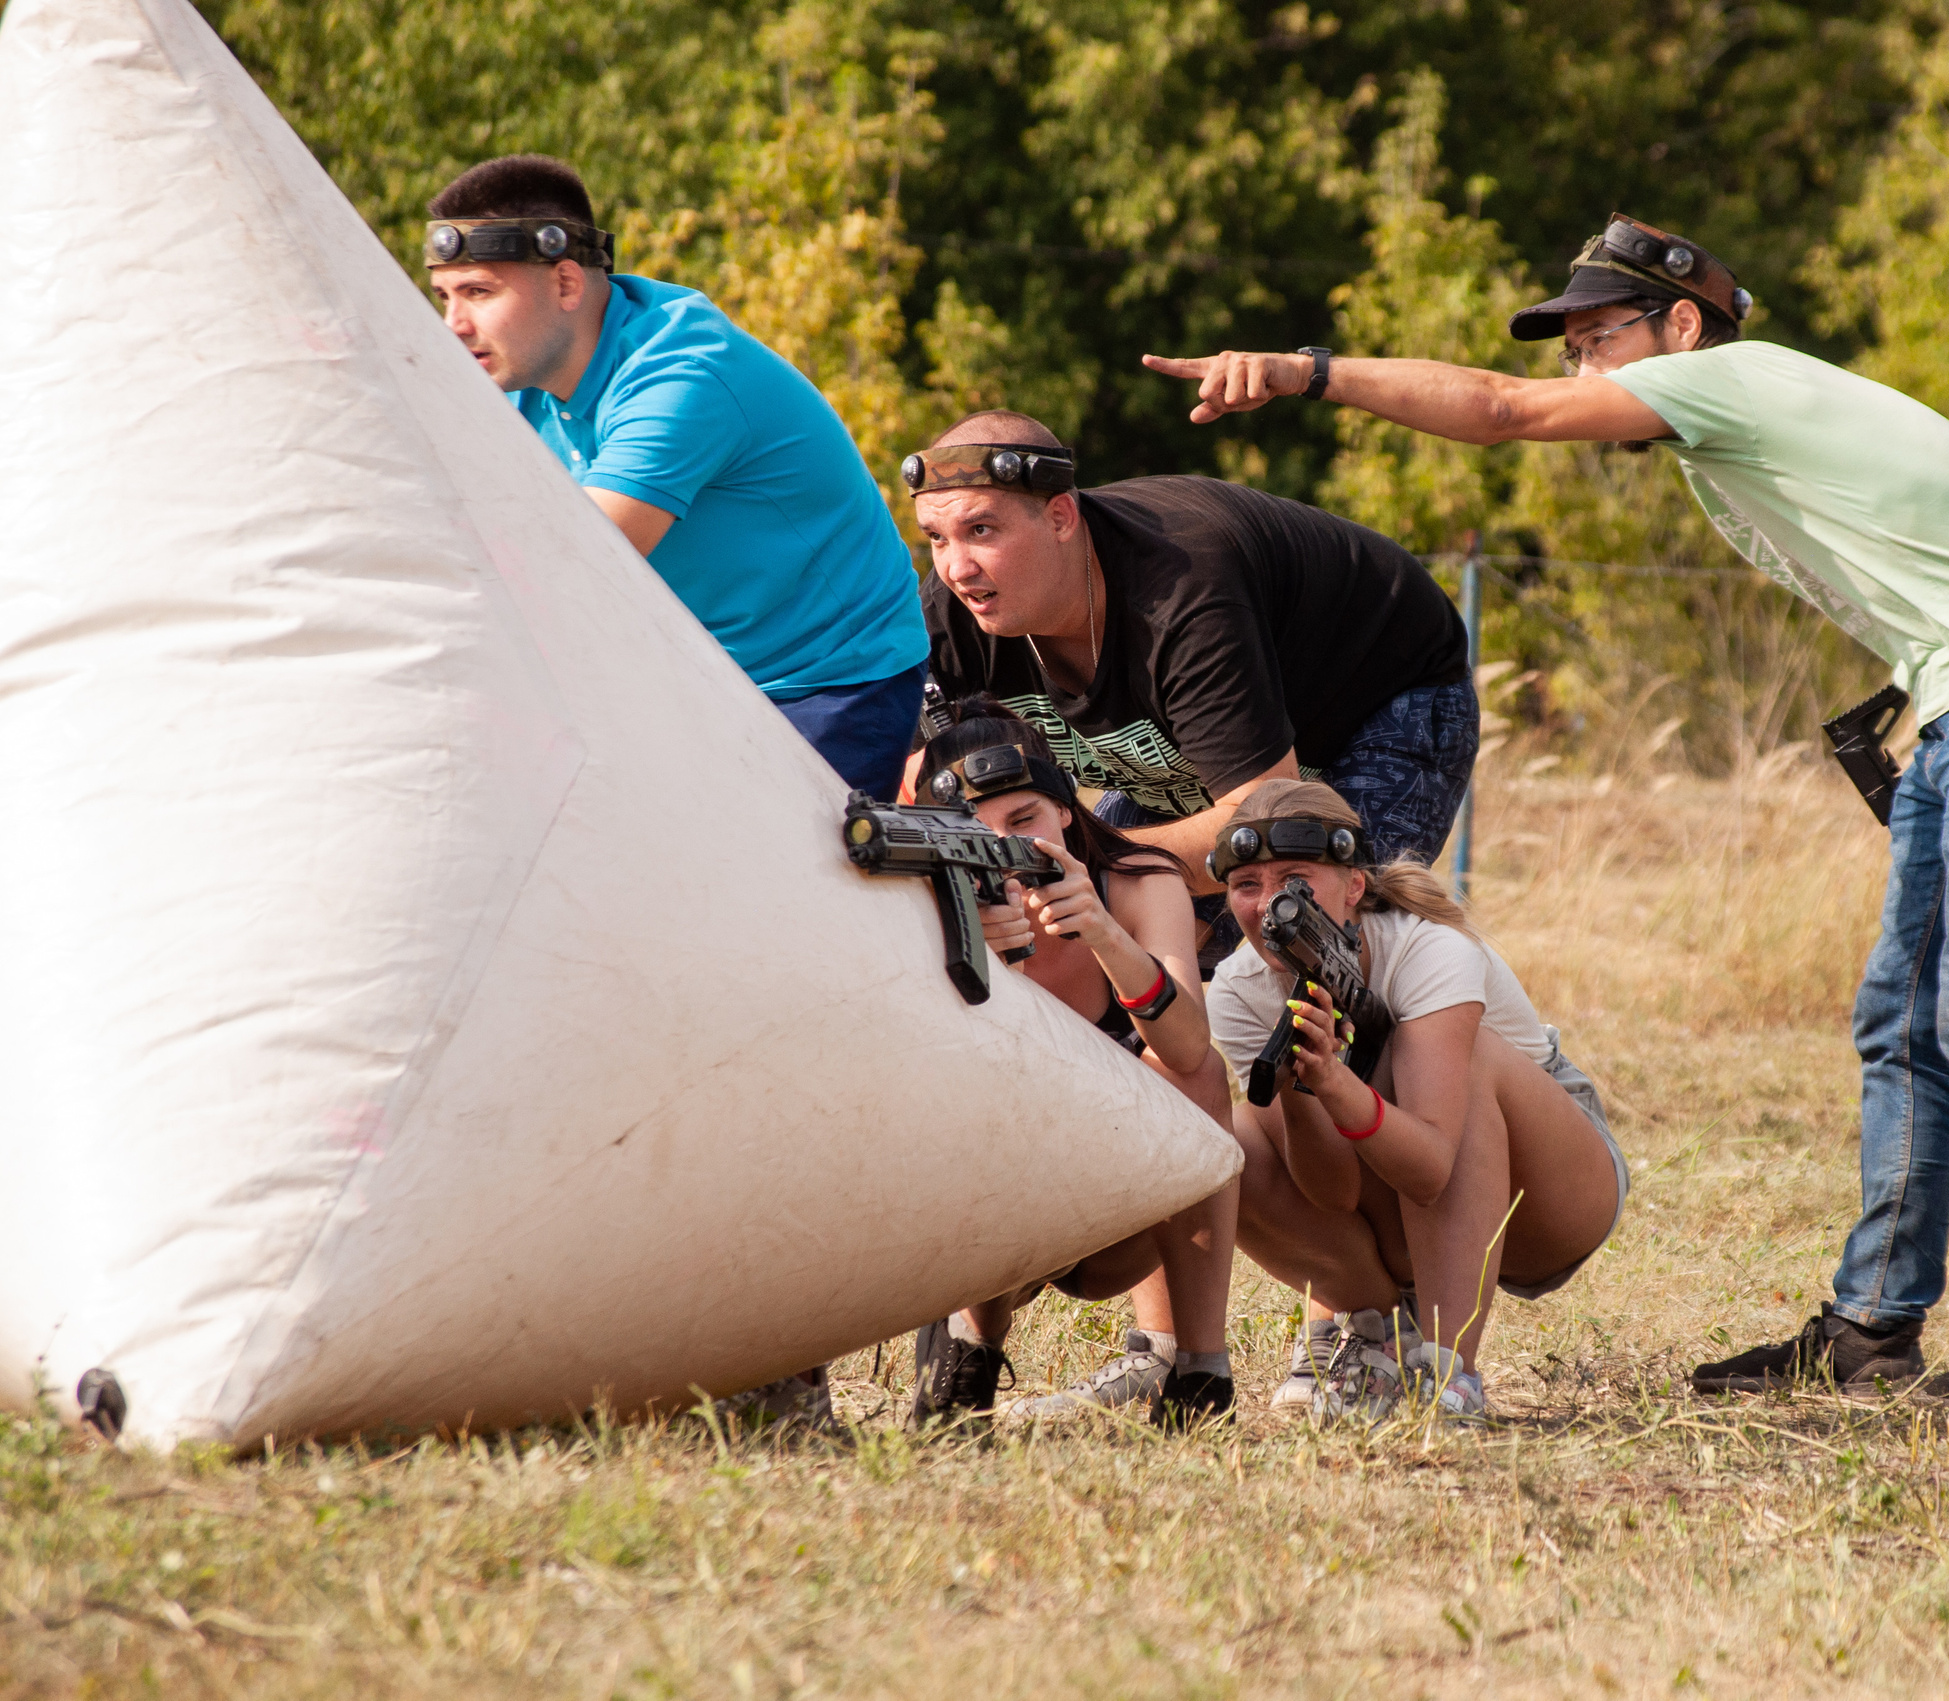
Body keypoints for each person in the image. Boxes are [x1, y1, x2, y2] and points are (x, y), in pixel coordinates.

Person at [1145, 214, 1949, 1408]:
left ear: (1680, 325)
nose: (1576, 370)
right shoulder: (1741, 417)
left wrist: (1306, 373)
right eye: (1564, 347)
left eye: (1593, 337)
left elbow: (1500, 412)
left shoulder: (1727, 378)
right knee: (1901, 1021)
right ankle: (1873, 1324)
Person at [424, 154, 928, 798]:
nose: (453, 326)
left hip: (825, 680)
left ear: (567, 285)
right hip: (685, 678)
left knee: (757, 888)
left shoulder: (682, 375)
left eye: (480, 292)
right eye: (445, 296)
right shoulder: (512, 382)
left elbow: (580, 564)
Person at [905, 412, 1476, 969]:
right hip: (1199, 749)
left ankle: (1501, 1052)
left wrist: (1073, 863)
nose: (956, 568)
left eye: (981, 531)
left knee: (1298, 933)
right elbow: (911, 787)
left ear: (1059, 518)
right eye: (936, 538)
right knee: (1105, 936)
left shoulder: (1184, 592)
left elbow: (1261, 823)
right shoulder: (950, 612)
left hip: (1376, 706)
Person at [1205, 780, 1625, 1422]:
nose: (1268, 907)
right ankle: (1378, 1330)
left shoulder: (1426, 947)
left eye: (1294, 880)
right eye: (1246, 885)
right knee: (1232, 1141)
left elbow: (1432, 1163)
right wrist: (1301, 1090)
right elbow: (1332, 1194)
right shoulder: (1239, 990)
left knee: (1448, 1055)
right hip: (1401, 1202)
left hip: (1550, 1194)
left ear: (1354, 886)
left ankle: (1452, 1373)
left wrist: (1341, 1084)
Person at [901, 698, 1241, 1431]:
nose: (1006, 846)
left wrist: (1107, 936)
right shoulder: (924, 898)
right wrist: (984, 965)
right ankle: (970, 1358)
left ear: (1064, 810)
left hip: (1119, 1213)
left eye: (1023, 820)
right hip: (993, 1218)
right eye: (978, 832)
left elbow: (1186, 1048)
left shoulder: (1140, 879)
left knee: (1201, 1077)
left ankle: (1201, 1374)